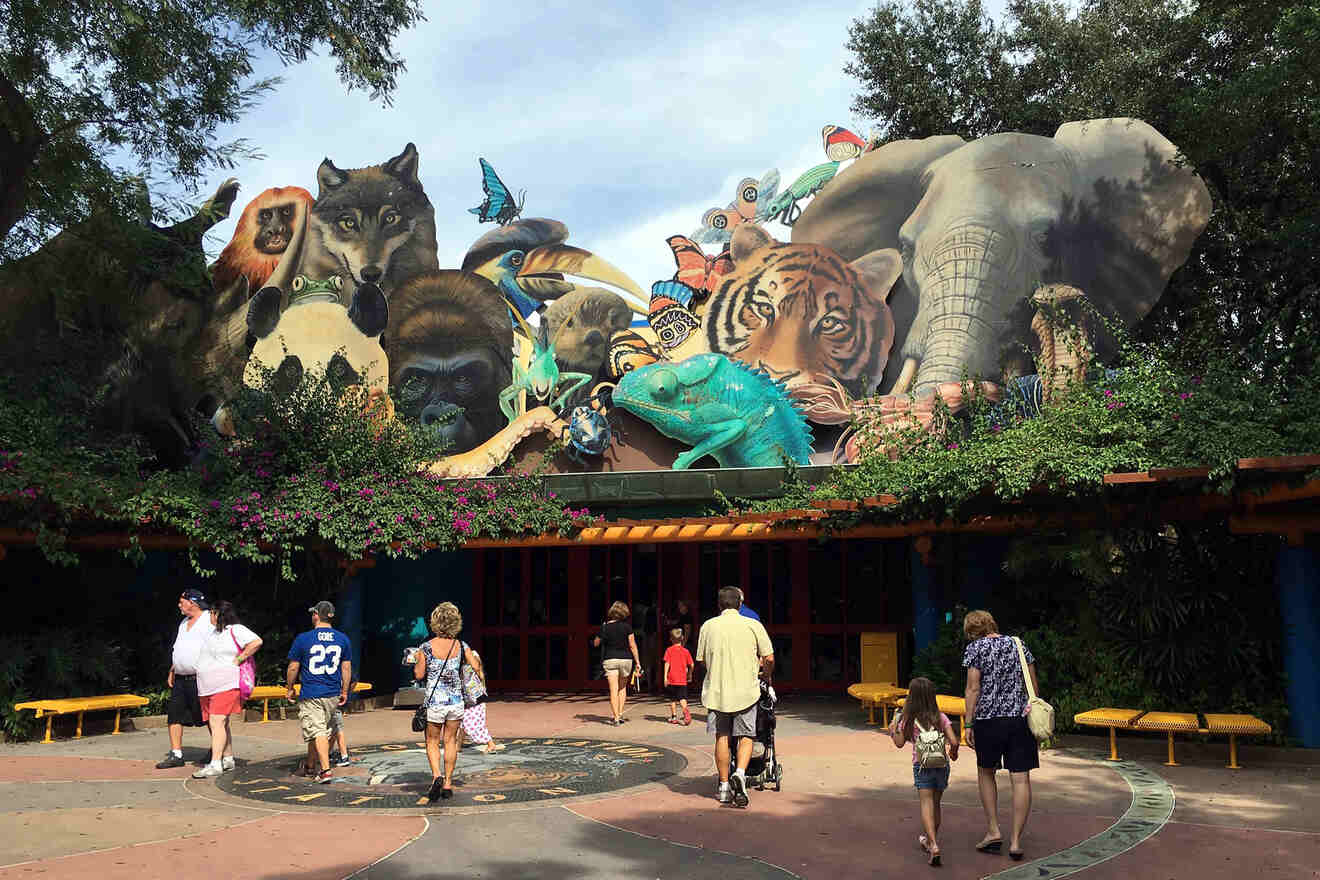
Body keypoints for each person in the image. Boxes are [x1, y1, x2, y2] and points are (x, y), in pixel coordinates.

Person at [962, 609, 1041, 861]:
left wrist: (968, 722)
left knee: (986, 772)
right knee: (1021, 779)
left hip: (988, 720)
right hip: (1019, 719)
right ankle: (1016, 840)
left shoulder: (975, 649)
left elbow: (973, 688)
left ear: (972, 632)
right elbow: (1033, 685)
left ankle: (994, 830)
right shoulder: (1018, 644)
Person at [696, 585, 773, 808]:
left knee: (722, 736)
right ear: (740, 603)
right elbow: (768, 657)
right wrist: (765, 675)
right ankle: (739, 772)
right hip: (745, 691)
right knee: (746, 735)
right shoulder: (752, 625)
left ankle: (723, 786)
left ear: (719, 604)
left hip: (717, 692)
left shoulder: (708, 626)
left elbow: (701, 660)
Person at [414, 602, 481, 802]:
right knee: (450, 741)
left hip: (435, 702)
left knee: (432, 741)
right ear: (455, 622)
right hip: (456, 702)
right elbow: (476, 666)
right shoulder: (461, 645)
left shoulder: (425, 647)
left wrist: (415, 661)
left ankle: (436, 776)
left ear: (435, 622)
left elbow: (419, 675)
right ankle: (449, 783)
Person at [889, 677, 960, 867]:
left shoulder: (908, 719)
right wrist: (953, 754)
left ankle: (933, 844)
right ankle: (930, 840)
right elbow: (954, 741)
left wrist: (893, 729)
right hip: (941, 765)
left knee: (926, 803)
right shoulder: (940, 717)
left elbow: (899, 743)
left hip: (921, 765)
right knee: (936, 804)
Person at [192, 600, 262, 778]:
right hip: (208, 685)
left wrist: (240, 658)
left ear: (218, 614)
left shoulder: (235, 629)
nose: (210, 617)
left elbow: (256, 641)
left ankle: (215, 763)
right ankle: (228, 758)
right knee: (219, 723)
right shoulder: (213, 633)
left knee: (216, 721)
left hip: (226, 684)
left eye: (212, 613)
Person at [287, 601, 353, 783]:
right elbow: (346, 669)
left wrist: (290, 688)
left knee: (317, 731)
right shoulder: (343, 639)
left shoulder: (303, 638)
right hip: (332, 693)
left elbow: (293, 667)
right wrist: (345, 691)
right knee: (319, 730)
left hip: (311, 693)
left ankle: (325, 770)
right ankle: (310, 765)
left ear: (316, 614)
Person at [157, 588, 211, 769]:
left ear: (193, 603)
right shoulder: (183, 623)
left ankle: (219, 750)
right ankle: (176, 754)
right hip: (180, 678)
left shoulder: (209, 620)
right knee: (174, 715)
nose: (179, 605)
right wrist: (173, 668)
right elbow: (180, 649)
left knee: (210, 717)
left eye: (182, 601)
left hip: (201, 678)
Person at [592, 601, 642, 726]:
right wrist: (638, 661)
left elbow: (596, 643)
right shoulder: (627, 627)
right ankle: (619, 714)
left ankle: (615, 718)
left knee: (613, 689)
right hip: (626, 659)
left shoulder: (605, 627)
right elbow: (632, 645)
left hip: (610, 660)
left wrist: (601, 633)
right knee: (622, 688)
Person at [459, 647, 505, 754]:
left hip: (473, 700)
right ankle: (458, 745)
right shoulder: (474, 670)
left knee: (471, 723)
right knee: (462, 723)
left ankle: (490, 743)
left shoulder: (468, 668)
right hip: (472, 699)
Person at [663, 627, 694, 725]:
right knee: (682, 698)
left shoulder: (669, 650)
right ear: (683, 638)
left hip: (672, 679)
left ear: (671, 639)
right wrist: (690, 673)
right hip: (682, 679)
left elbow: (667, 663)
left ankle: (674, 717)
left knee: (672, 699)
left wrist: (665, 677)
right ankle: (685, 710)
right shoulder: (686, 651)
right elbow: (692, 664)